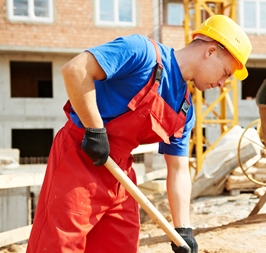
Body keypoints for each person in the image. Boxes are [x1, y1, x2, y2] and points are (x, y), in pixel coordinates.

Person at [26, 14, 252, 253]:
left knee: (119, 247)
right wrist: (94, 129)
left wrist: (183, 229)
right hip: (80, 157)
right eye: (226, 72)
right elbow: (75, 70)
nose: (223, 83)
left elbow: (178, 170)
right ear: (211, 51)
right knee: (60, 246)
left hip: (120, 175)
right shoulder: (142, 53)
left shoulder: (184, 109)